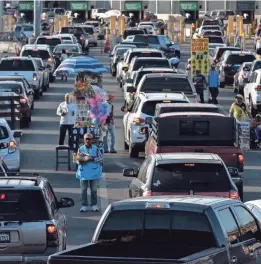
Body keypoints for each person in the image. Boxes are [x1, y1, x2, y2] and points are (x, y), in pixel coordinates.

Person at [76, 133, 103, 212]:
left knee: (94, 189)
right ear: (84, 140)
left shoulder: (96, 148)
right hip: (84, 172)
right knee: (83, 190)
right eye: (86, 139)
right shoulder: (80, 149)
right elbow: (77, 160)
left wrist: (92, 159)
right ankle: (84, 205)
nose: (88, 140)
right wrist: (85, 159)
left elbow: (100, 158)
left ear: (92, 140)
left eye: (89, 139)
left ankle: (94, 205)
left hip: (94, 172)